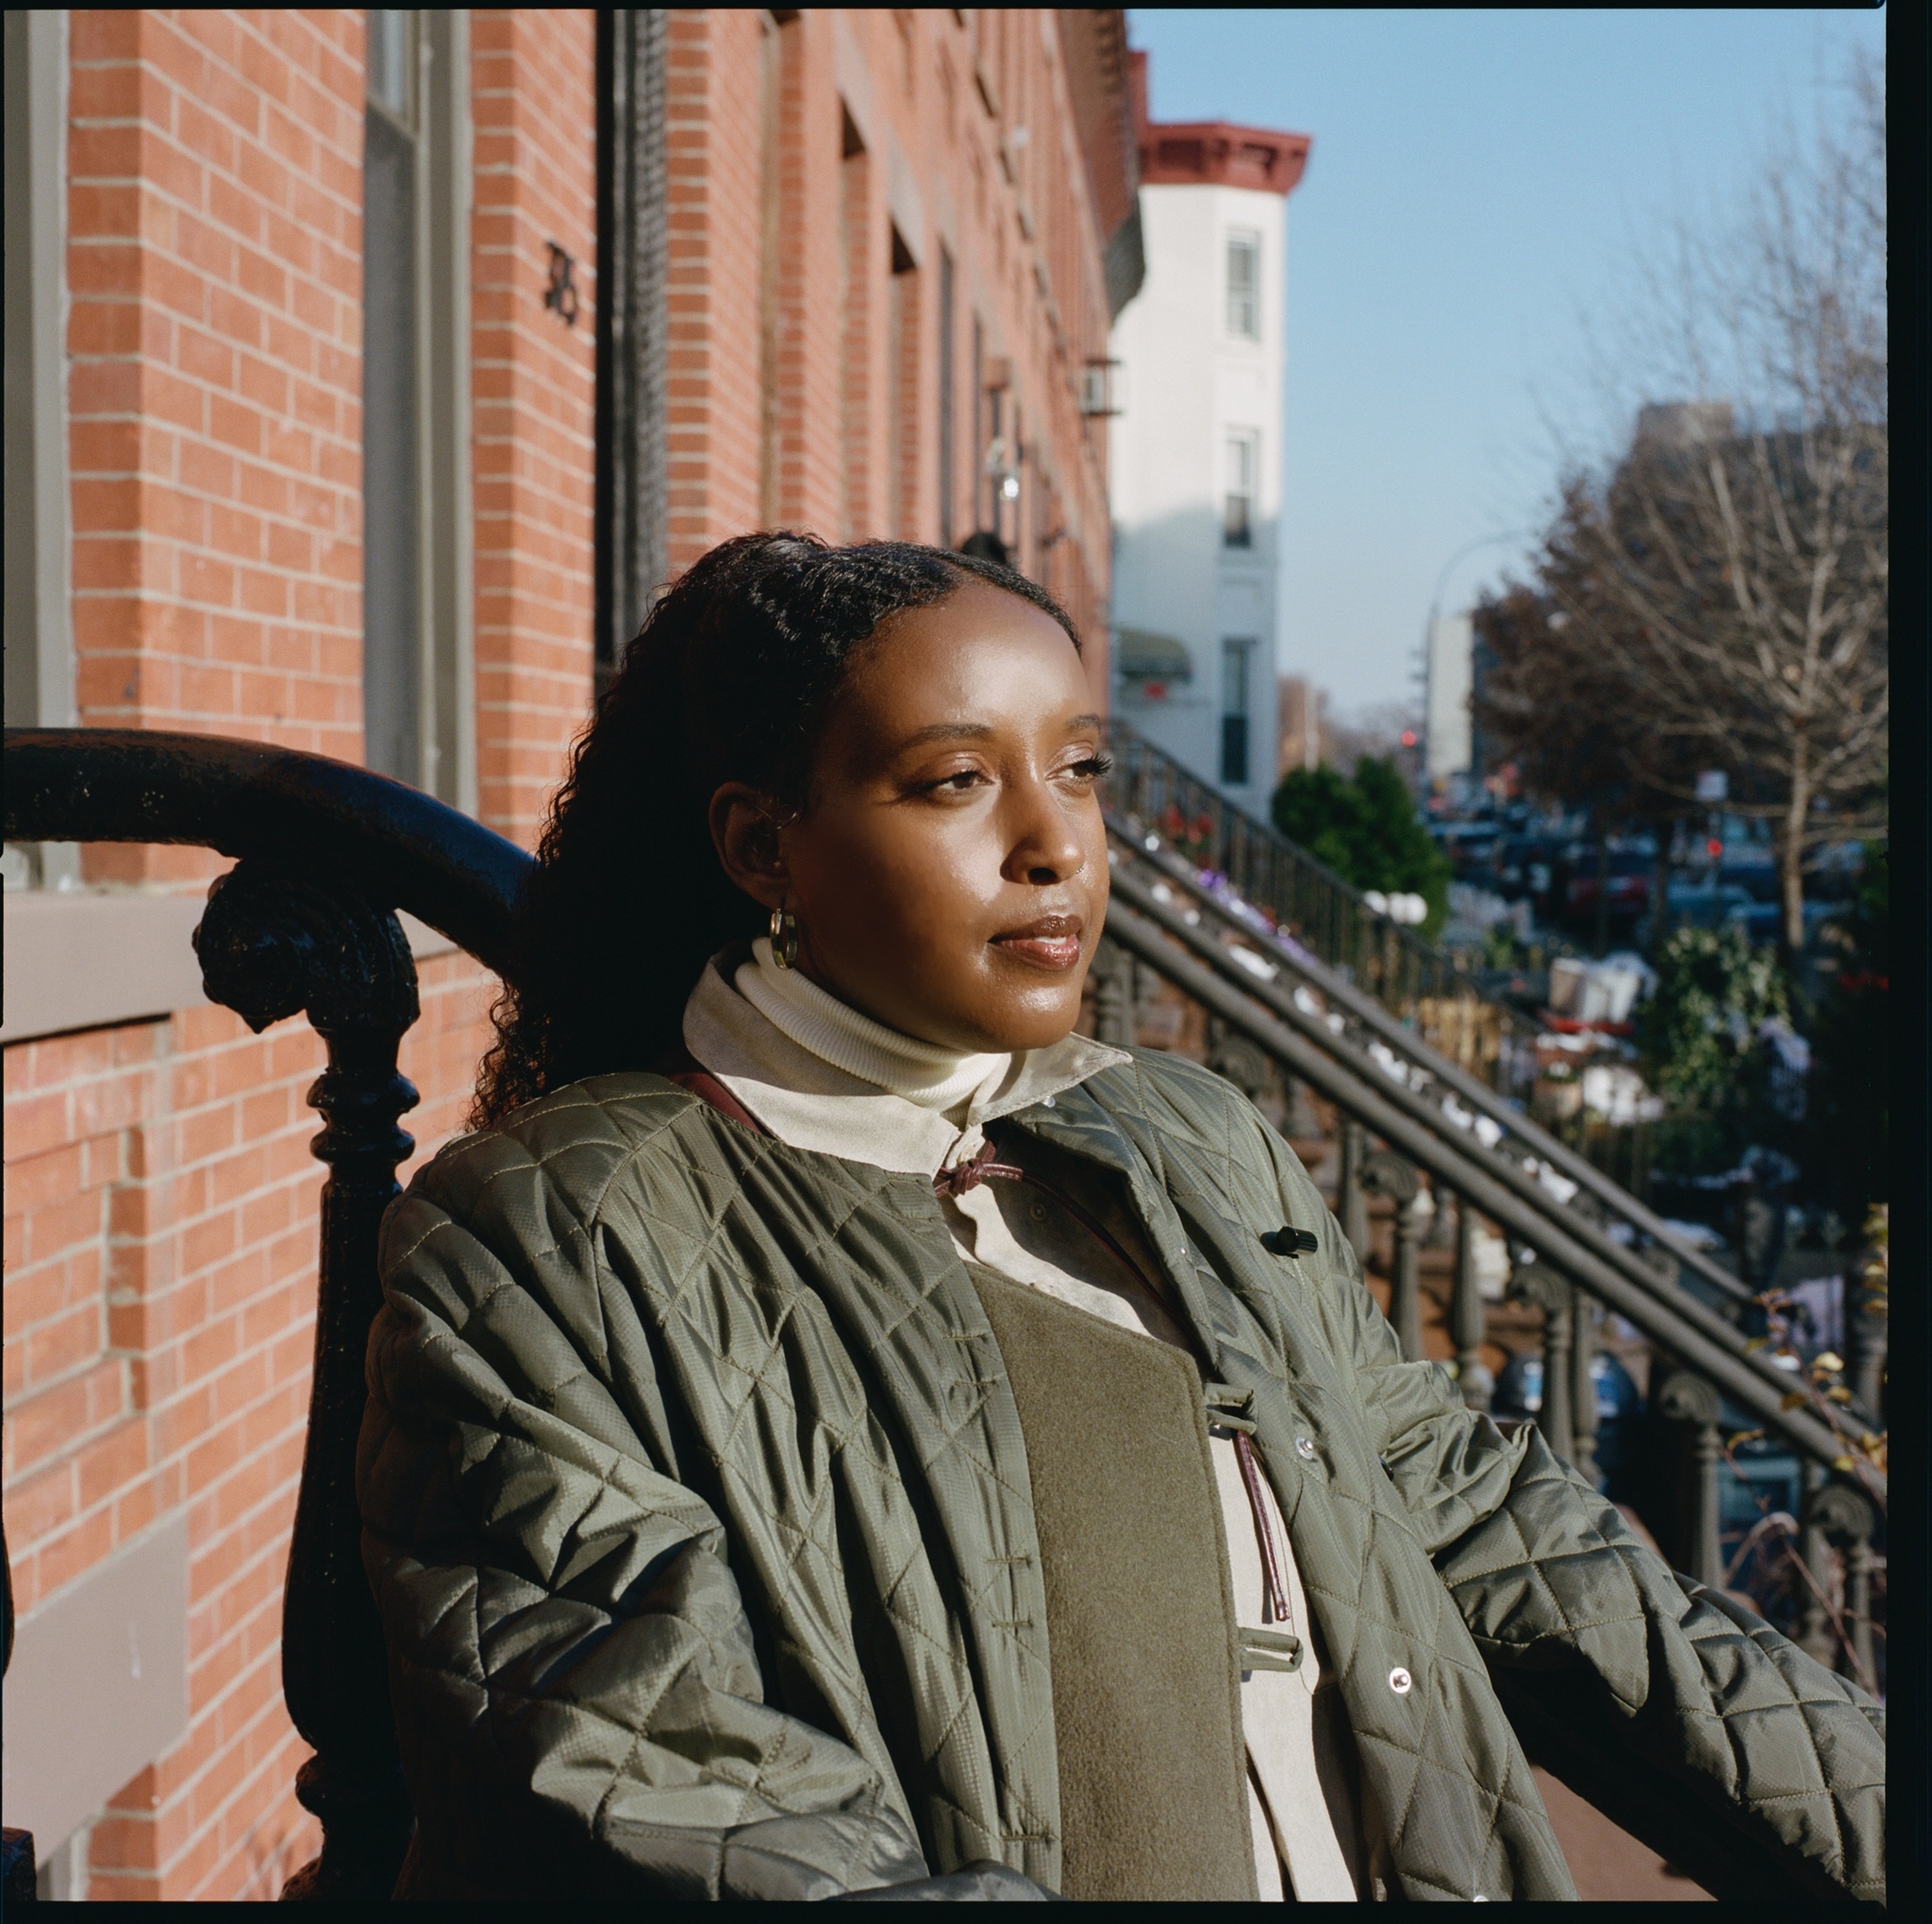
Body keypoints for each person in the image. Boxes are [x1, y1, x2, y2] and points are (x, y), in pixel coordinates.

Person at [358, 534, 1884, 1903]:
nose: (1056, 842)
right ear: (765, 846)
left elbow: (1478, 1512)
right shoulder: (554, 1240)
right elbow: (647, 1767)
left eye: (1079, 768)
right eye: (958, 780)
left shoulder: (1187, 1138)